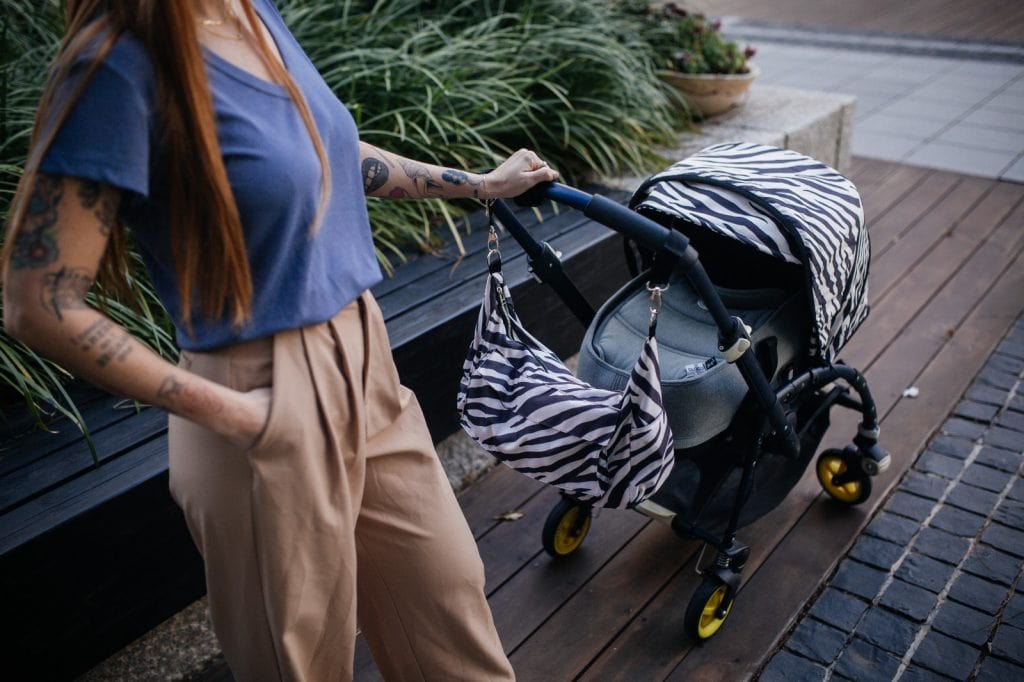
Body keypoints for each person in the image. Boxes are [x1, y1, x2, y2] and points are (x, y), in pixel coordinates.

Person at [1, 1, 559, 679]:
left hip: (362, 358)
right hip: (256, 396)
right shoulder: (116, 62)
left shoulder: (250, 10)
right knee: (302, 664)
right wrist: (245, 417)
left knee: (450, 613)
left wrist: (479, 186)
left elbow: (320, 148)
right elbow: (38, 303)